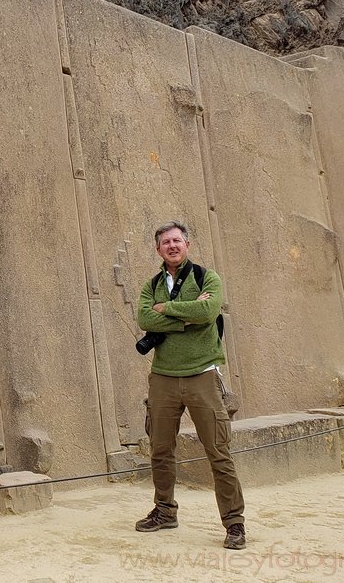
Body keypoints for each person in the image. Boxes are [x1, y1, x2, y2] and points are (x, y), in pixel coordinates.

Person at [135, 220, 246, 550]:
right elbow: (144, 319)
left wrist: (167, 309)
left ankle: (234, 523)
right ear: (158, 249)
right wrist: (188, 317)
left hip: (202, 375)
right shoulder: (151, 284)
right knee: (160, 449)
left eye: (177, 240)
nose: (171, 245)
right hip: (163, 378)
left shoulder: (206, 277)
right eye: (165, 242)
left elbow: (209, 310)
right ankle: (165, 510)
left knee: (218, 452)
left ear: (187, 245)